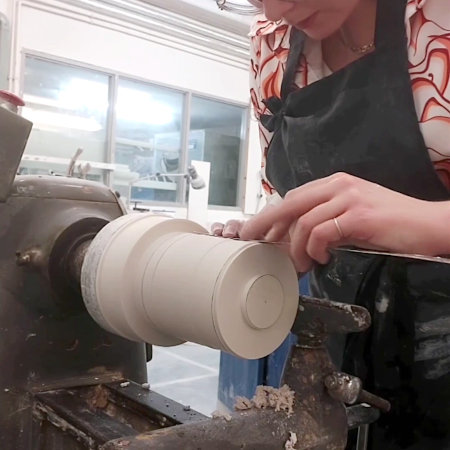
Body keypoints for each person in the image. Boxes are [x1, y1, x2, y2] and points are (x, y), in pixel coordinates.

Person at [213, 1, 450, 449]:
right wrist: (273, 241)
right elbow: (294, 206)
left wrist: (432, 223)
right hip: (346, 369)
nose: (278, 9)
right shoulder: (271, 46)